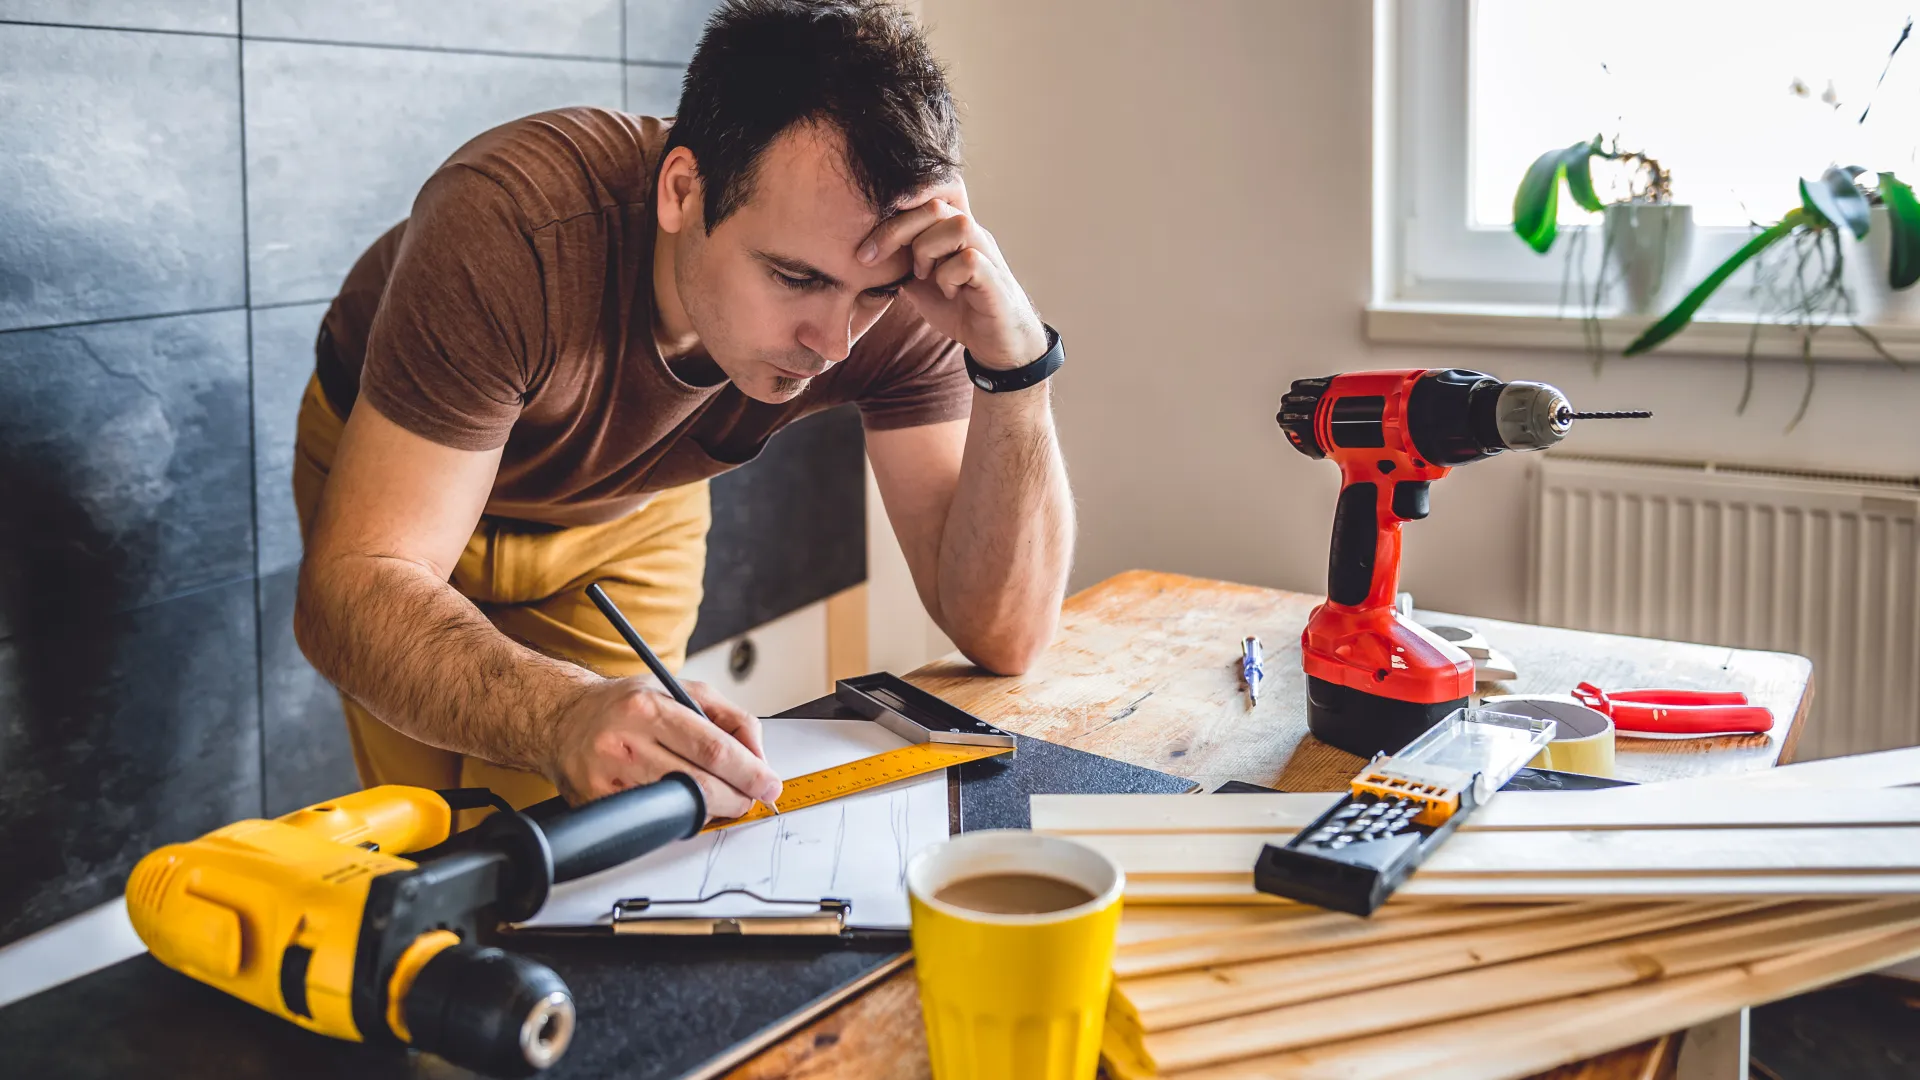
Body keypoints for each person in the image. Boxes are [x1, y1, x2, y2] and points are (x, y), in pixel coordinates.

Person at [291, 0, 1073, 821]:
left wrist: (1017, 365)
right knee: (438, 839)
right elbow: (351, 591)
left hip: (632, 504)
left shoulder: (905, 296)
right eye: (795, 278)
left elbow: (1004, 636)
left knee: (614, 822)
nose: (835, 342)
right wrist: (561, 711)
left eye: (872, 293)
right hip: (399, 481)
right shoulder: (512, 225)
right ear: (682, 190)